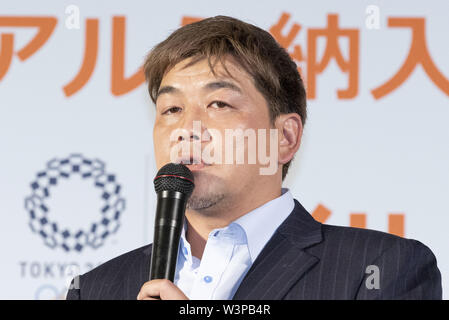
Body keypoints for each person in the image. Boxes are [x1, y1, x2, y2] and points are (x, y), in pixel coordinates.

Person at [66, 15, 442, 300]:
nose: (187, 128)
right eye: (171, 109)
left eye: (219, 103)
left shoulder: (378, 269)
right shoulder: (98, 288)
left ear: (285, 137)